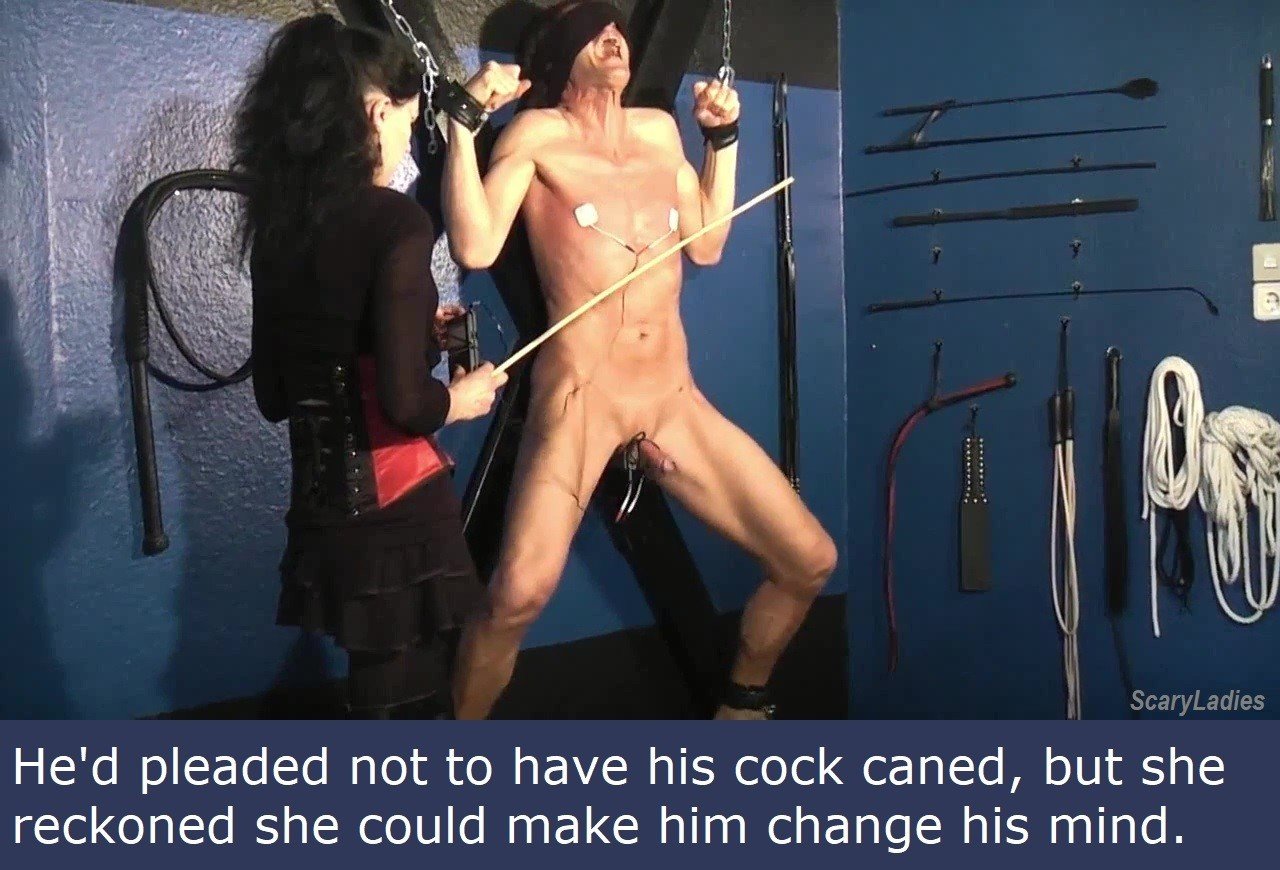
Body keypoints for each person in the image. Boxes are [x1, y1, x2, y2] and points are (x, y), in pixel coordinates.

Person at [439, 0, 837, 719]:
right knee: (517, 595)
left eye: (617, 27)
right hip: (582, 399)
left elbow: (707, 243)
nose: (614, 37)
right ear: (559, 57)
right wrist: (462, 125)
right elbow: (475, 244)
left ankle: (741, 708)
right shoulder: (538, 134)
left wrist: (723, 139)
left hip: (671, 398)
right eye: (593, 31)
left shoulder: (657, 131)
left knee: (808, 560)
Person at [233, 13, 507, 718]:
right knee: (408, 699)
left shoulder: (278, 229)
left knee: (373, 694)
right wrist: (464, 397)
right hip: (398, 507)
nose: (404, 146)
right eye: (406, 125)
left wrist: (413, 333)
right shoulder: (395, 221)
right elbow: (408, 405)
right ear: (378, 112)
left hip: (321, 509)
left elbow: (274, 394)